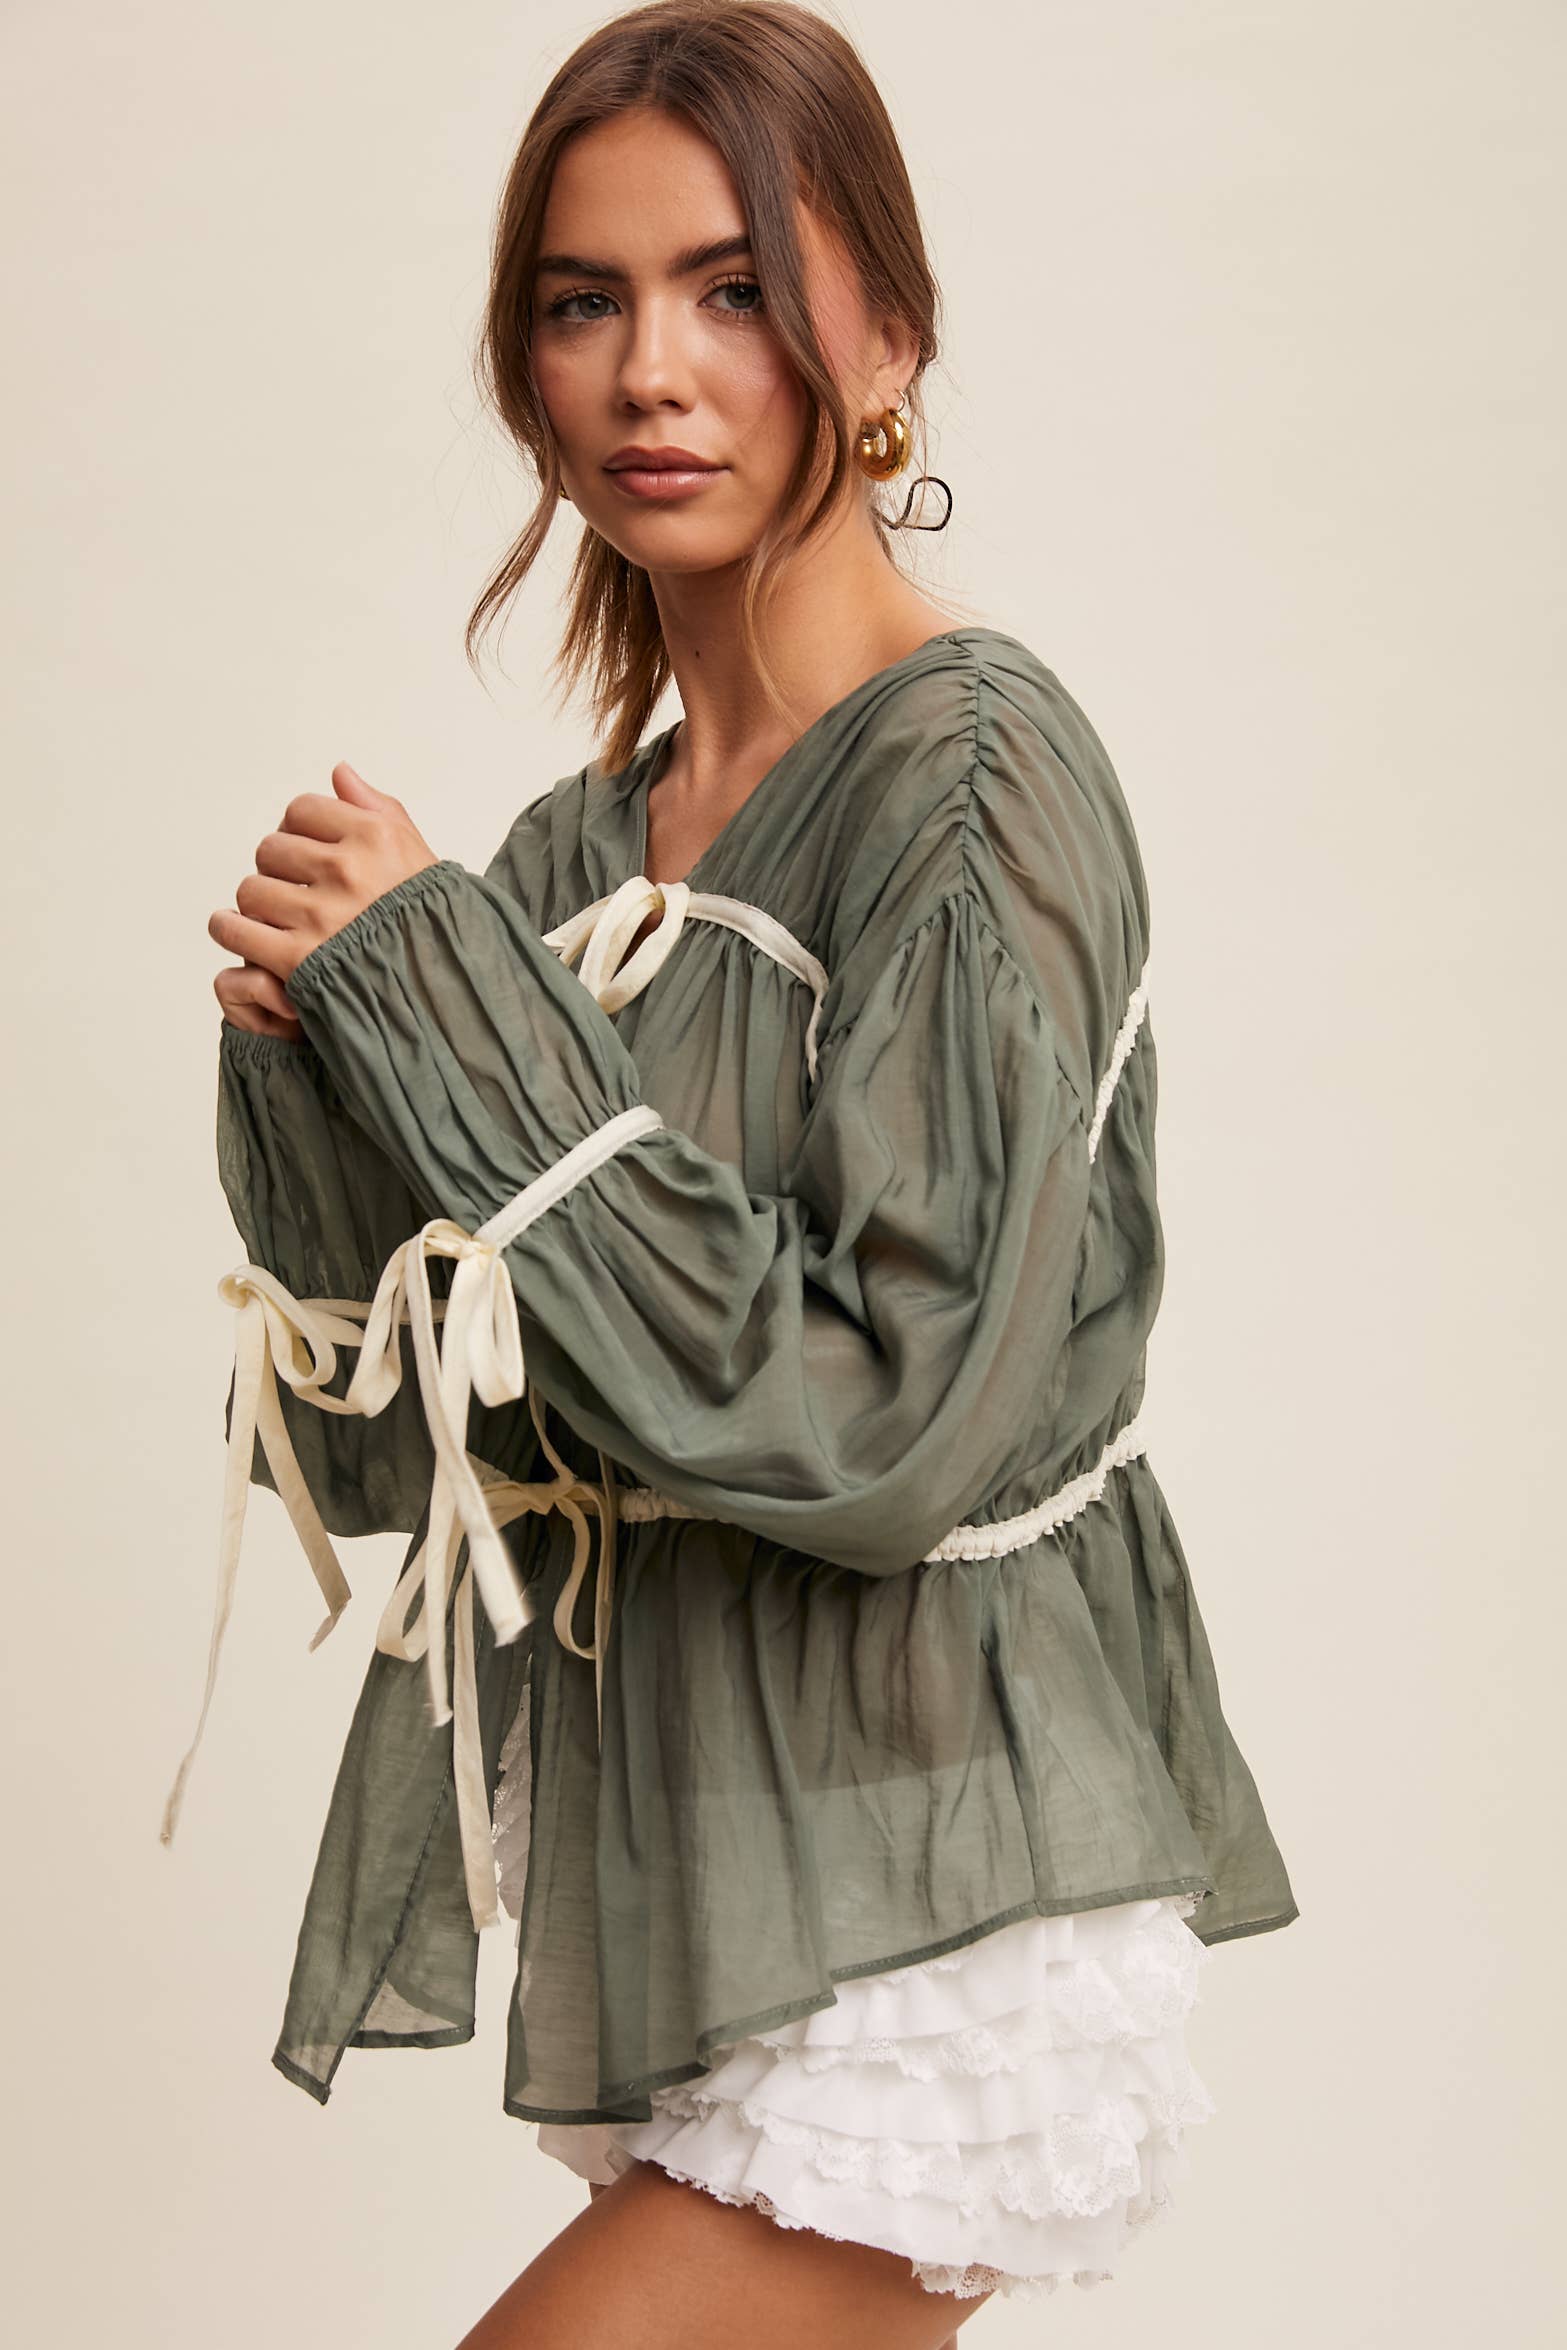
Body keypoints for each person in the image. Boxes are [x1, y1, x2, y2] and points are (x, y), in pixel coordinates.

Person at [171, 6, 1300, 2344]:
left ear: (878, 334)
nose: (652, 371)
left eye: (732, 288)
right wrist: (327, 1061)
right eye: (582, 301)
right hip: (711, 1897)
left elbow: (885, 1428)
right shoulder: (578, 856)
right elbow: (429, 1463)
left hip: (931, 1889)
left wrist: (464, 1023)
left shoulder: (968, 780)